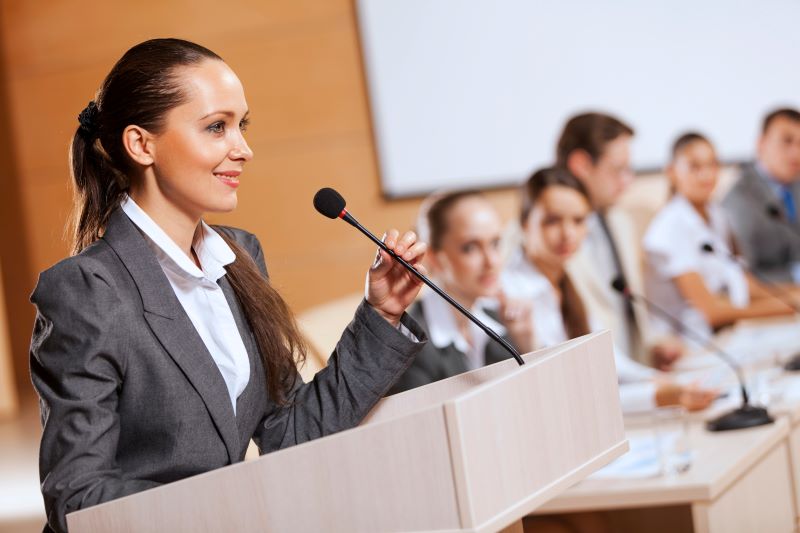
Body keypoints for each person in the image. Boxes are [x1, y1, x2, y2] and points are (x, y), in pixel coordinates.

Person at [29, 38, 429, 533]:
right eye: (216, 127)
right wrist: (232, 510)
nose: (243, 148)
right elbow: (79, 496)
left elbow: (291, 430)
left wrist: (382, 313)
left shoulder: (239, 258)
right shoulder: (87, 289)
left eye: (242, 125)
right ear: (141, 144)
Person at [501, 167, 717, 413]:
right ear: (525, 223)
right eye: (552, 221)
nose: (568, 233)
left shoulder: (566, 279)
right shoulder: (512, 293)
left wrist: (663, 382)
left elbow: (611, 363)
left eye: (579, 221)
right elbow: (568, 397)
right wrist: (658, 395)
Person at [556, 112, 684, 370]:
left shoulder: (620, 220)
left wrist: (650, 350)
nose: (628, 180)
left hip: (634, 381)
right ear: (581, 165)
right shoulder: (544, 236)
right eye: (617, 169)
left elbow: (624, 311)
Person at [643, 132, 796, 341]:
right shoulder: (669, 228)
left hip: (730, 334)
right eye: (695, 167)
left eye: (712, 165)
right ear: (671, 172)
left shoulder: (716, 214)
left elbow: (743, 283)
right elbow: (711, 312)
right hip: (692, 347)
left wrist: (791, 295)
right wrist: (786, 306)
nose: (707, 175)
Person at [390, 190, 534, 393]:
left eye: (495, 243)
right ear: (434, 258)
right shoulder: (410, 346)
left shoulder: (499, 320)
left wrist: (525, 343)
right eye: (470, 248)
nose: (491, 261)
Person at [722, 108, 800, 283]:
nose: (796, 153)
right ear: (761, 144)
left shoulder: (795, 186)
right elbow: (744, 277)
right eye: (787, 142)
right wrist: (795, 275)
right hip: (773, 300)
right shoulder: (739, 199)